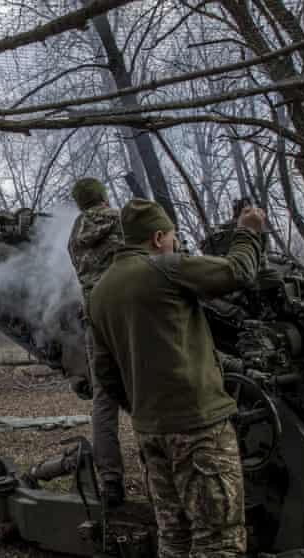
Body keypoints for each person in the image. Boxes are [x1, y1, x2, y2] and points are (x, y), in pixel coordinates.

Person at [89, 198, 265, 557]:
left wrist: (145, 407)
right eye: (171, 236)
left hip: (150, 432)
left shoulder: (98, 294)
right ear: (157, 238)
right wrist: (247, 233)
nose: (174, 242)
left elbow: (106, 374)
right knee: (219, 539)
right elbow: (239, 272)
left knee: (175, 536)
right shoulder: (165, 268)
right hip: (199, 427)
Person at [66, 176, 126, 507]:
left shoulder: (75, 236)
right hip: (130, 316)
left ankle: (112, 482)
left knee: (104, 402)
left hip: (95, 322)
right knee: (146, 391)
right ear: (102, 197)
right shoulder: (123, 220)